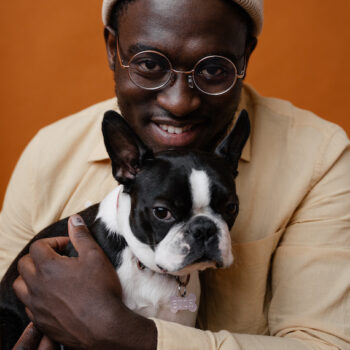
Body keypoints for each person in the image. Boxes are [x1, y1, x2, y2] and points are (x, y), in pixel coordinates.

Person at [1, 0, 350, 349]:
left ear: (245, 56)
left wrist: (116, 331)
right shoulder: (50, 152)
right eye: (150, 64)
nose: (179, 102)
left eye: (213, 69)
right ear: (113, 49)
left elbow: (326, 345)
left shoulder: (320, 159)